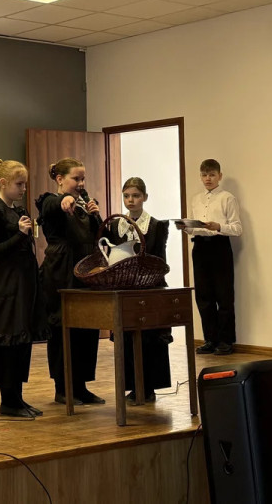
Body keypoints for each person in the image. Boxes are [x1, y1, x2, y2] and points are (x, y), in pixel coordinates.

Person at [0, 159, 48, 418]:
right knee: (8, 340)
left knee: (21, 341)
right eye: (19, 184)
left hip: (22, 286)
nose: (23, 189)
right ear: (3, 183)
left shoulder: (18, 211)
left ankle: (18, 398)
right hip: (5, 288)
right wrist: (18, 235)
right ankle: (8, 401)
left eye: (25, 184)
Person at [36, 157, 106, 406]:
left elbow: (101, 237)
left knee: (87, 328)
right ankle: (62, 387)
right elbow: (51, 205)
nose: (81, 183)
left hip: (86, 271)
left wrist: (97, 216)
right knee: (62, 328)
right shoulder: (51, 201)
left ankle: (81, 386)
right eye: (76, 178)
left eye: (83, 178)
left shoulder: (85, 205)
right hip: (61, 272)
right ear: (60, 179)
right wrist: (63, 200)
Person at [102, 177, 171, 403]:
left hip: (150, 287)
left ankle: (149, 387)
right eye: (126, 196)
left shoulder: (156, 225)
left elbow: (159, 258)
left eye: (136, 196)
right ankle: (132, 386)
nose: (130, 200)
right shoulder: (115, 226)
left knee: (150, 340)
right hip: (125, 288)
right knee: (127, 338)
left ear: (145, 197)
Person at [177, 159, 242, 356]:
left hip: (219, 246)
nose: (208, 179)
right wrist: (186, 227)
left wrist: (218, 226)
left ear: (219, 176)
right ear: (200, 176)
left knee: (224, 295)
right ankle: (210, 340)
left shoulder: (227, 198)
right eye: (204, 175)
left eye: (212, 175)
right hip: (200, 247)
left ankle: (225, 341)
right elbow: (194, 228)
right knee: (203, 296)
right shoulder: (196, 199)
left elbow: (237, 228)